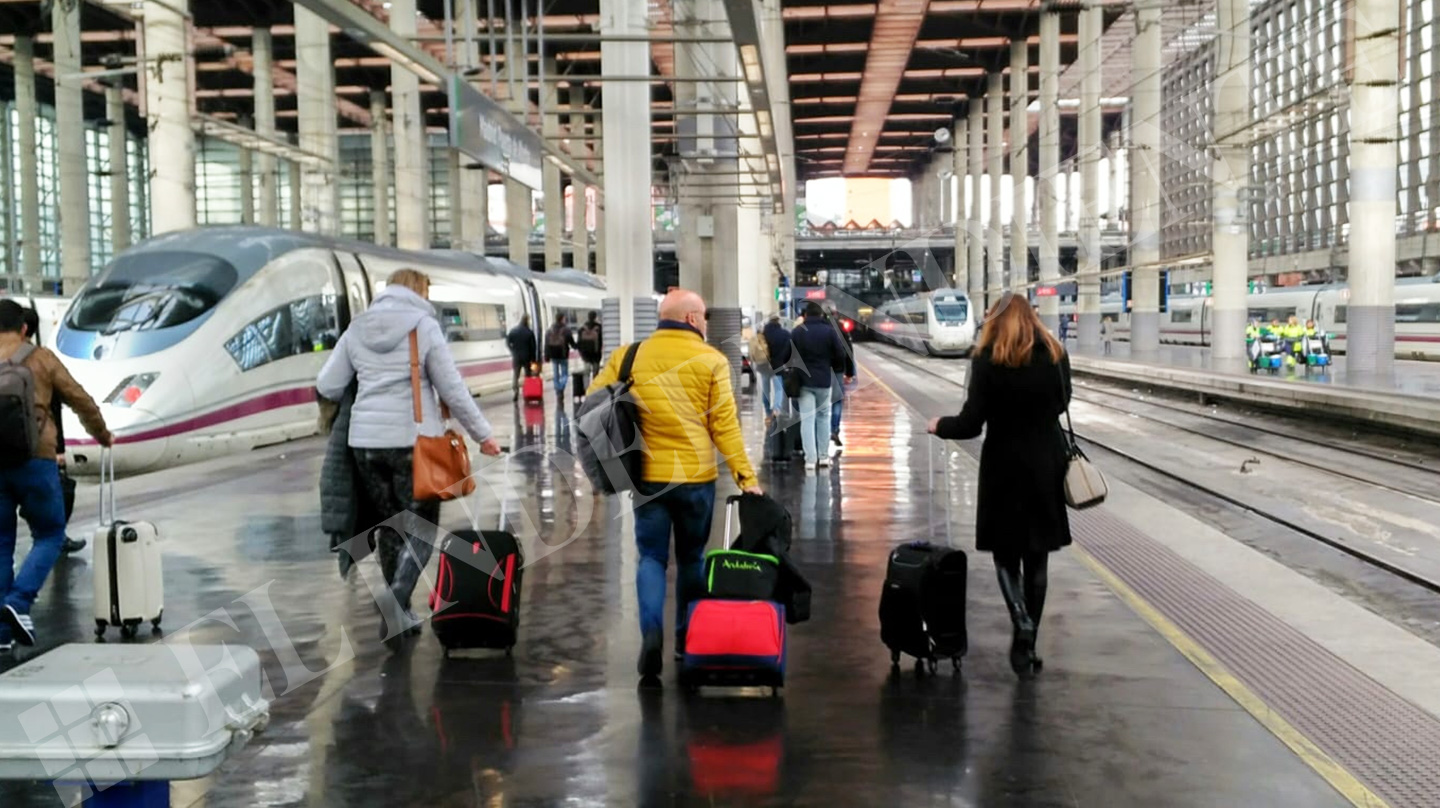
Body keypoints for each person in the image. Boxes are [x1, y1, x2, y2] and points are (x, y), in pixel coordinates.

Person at [316, 269, 503, 651]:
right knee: (421, 526)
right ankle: (396, 596)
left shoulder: (357, 328)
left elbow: (328, 384)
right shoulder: (423, 325)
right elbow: (452, 386)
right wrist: (484, 435)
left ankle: (398, 616)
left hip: (365, 443)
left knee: (390, 525)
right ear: (420, 290)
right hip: (413, 442)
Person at [587, 289, 761, 683]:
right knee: (692, 559)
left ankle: (651, 633)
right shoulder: (712, 361)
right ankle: (686, 640)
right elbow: (725, 428)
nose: (705, 324)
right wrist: (747, 479)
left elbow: (593, 403)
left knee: (650, 558)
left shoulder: (628, 356)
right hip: (696, 479)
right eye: (703, 317)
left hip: (648, 477)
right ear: (691, 319)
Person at [926, 291, 1071, 679]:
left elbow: (971, 422)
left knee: (1006, 554)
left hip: (1003, 464)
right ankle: (1030, 647)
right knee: (1037, 557)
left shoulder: (987, 360)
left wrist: (940, 425)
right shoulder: (1055, 354)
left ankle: (1020, 618)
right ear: (1032, 317)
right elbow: (1062, 403)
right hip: (1045, 463)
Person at [0, 299, 112, 649]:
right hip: (37, 461)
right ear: (23, 328)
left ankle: (2, 634)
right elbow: (79, 399)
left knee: (1, 543)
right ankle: (17, 603)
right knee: (50, 534)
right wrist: (102, 435)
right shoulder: (41, 358)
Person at [18, 308, 84, 555]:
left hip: (8, 446)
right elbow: (56, 405)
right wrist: (59, 449)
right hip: (38, 445)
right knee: (55, 493)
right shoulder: (42, 360)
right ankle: (54, 539)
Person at [789, 301, 849, 470]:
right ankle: (823, 457)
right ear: (822, 315)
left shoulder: (797, 332)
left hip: (803, 382)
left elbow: (789, 356)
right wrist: (834, 367)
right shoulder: (829, 332)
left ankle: (810, 459)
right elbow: (840, 354)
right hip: (823, 381)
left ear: (805, 316)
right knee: (823, 418)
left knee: (807, 421)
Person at [824, 304, 857, 448]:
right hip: (838, 369)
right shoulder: (841, 328)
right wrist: (850, 372)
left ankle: (823, 431)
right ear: (835, 313)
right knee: (837, 401)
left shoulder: (820, 328)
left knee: (822, 403)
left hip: (821, 370)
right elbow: (848, 351)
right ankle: (834, 429)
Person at [761, 312, 793, 415]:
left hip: (764, 365)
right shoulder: (785, 334)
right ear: (779, 321)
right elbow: (790, 351)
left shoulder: (763, 334)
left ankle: (767, 411)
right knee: (779, 389)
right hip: (779, 364)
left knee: (766, 390)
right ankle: (776, 409)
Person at [543, 313, 577, 398]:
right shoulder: (566, 330)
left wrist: (546, 356)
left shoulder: (549, 330)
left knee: (556, 374)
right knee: (564, 374)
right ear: (562, 319)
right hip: (563, 355)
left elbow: (546, 344)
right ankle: (561, 387)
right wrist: (577, 346)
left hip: (553, 355)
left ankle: (557, 389)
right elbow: (572, 343)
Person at [505, 315, 537, 401]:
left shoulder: (513, 331)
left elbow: (507, 342)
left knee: (516, 375)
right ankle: (527, 392)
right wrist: (534, 360)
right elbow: (533, 347)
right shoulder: (529, 332)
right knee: (528, 376)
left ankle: (516, 391)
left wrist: (512, 350)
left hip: (516, 357)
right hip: (527, 357)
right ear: (527, 321)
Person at [577, 310, 604, 378]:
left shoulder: (582, 328)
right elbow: (602, 340)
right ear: (595, 317)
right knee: (595, 373)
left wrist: (581, 353)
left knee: (586, 372)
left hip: (586, 354)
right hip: (596, 354)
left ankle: (586, 387)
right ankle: (594, 387)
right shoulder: (599, 327)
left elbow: (579, 343)